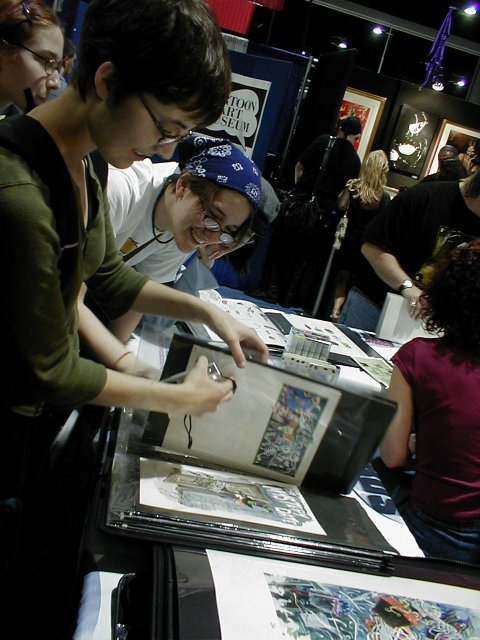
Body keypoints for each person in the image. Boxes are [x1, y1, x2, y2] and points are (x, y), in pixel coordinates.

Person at [0, 0, 267, 633]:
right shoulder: (20, 193)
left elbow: (109, 278)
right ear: (107, 80)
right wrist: (173, 397)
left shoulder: (85, 162)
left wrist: (204, 311)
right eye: (165, 126)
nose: (163, 148)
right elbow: (49, 369)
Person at [104, 135, 263, 341]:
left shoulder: (180, 227)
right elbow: (73, 290)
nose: (212, 236)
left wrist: (118, 350)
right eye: (214, 216)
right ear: (183, 185)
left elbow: (139, 298)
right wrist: (119, 357)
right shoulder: (120, 190)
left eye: (228, 231)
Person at [380, 238, 480, 563]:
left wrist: (419, 442)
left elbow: (393, 456)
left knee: (373, 457)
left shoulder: (417, 357)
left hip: (433, 527)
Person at [342, 171, 480, 332]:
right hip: (375, 305)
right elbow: (372, 248)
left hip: (433, 324)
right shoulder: (424, 197)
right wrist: (407, 286)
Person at [252, 117, 362, 309]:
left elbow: (299, 166)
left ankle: (272, 288)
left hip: (301, 202)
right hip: (323, 213)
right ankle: (289, 295)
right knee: (304, 257)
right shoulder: (355, 161)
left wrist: (301, 187)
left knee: (281, 247)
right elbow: (343, 197)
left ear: (340, 129)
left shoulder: (323, 142)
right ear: (357, 135)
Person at [331, 150, 390, 323]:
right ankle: (346, 313)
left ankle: (335, 310)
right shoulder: (383, 196)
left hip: (348, 239)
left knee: (342, 278)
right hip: (367, 244)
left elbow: (341, 206)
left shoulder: (354, 187)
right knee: (356, 281)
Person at [0, 0, 63, 113]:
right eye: (46, 61)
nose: (56, 83)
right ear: (5, 49)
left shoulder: (14, 117)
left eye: (57, 67)